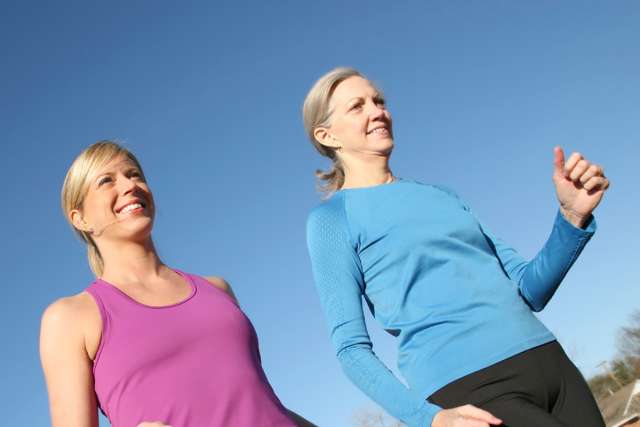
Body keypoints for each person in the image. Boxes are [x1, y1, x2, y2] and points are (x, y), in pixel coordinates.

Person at [303, 67, 609, 427]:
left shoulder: (442, 196)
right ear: (327, 135)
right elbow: (351, 350)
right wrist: (429, 419)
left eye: (378, 101)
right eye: (357, 106)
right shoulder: (332, 220)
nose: (377, 111)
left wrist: (571, 218)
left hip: (550, 362)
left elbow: (529, 289)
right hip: (472, 392)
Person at [40, 141, 312, 427]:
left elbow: (262, 404)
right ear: (80, 218)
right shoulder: (70, 318)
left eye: (134, 175)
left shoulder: (218, 290)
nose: (129, 185)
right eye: (106, 180)